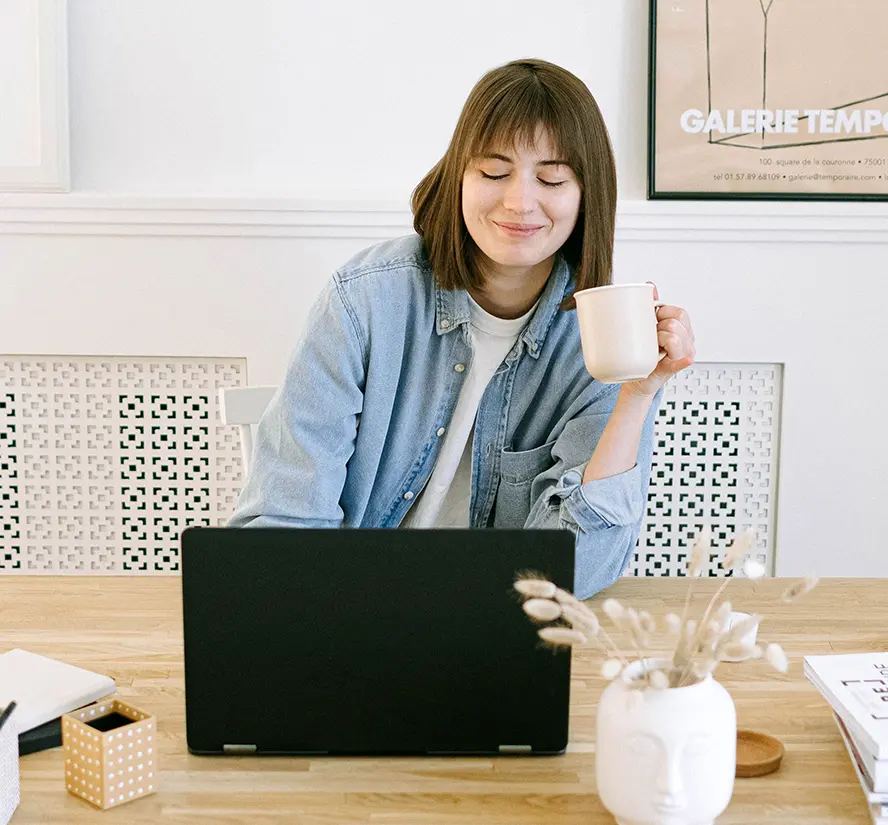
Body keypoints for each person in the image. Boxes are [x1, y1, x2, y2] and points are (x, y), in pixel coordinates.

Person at [228, 58, 695, 598]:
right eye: (494, 172)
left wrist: (635, 395)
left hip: (494, 627)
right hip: (348, 606)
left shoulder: (607, 337)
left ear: (587, 194)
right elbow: (282, 528)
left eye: (551, 177)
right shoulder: (366, 300)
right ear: (458, 177)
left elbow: (574, 574)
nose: (520, 202)